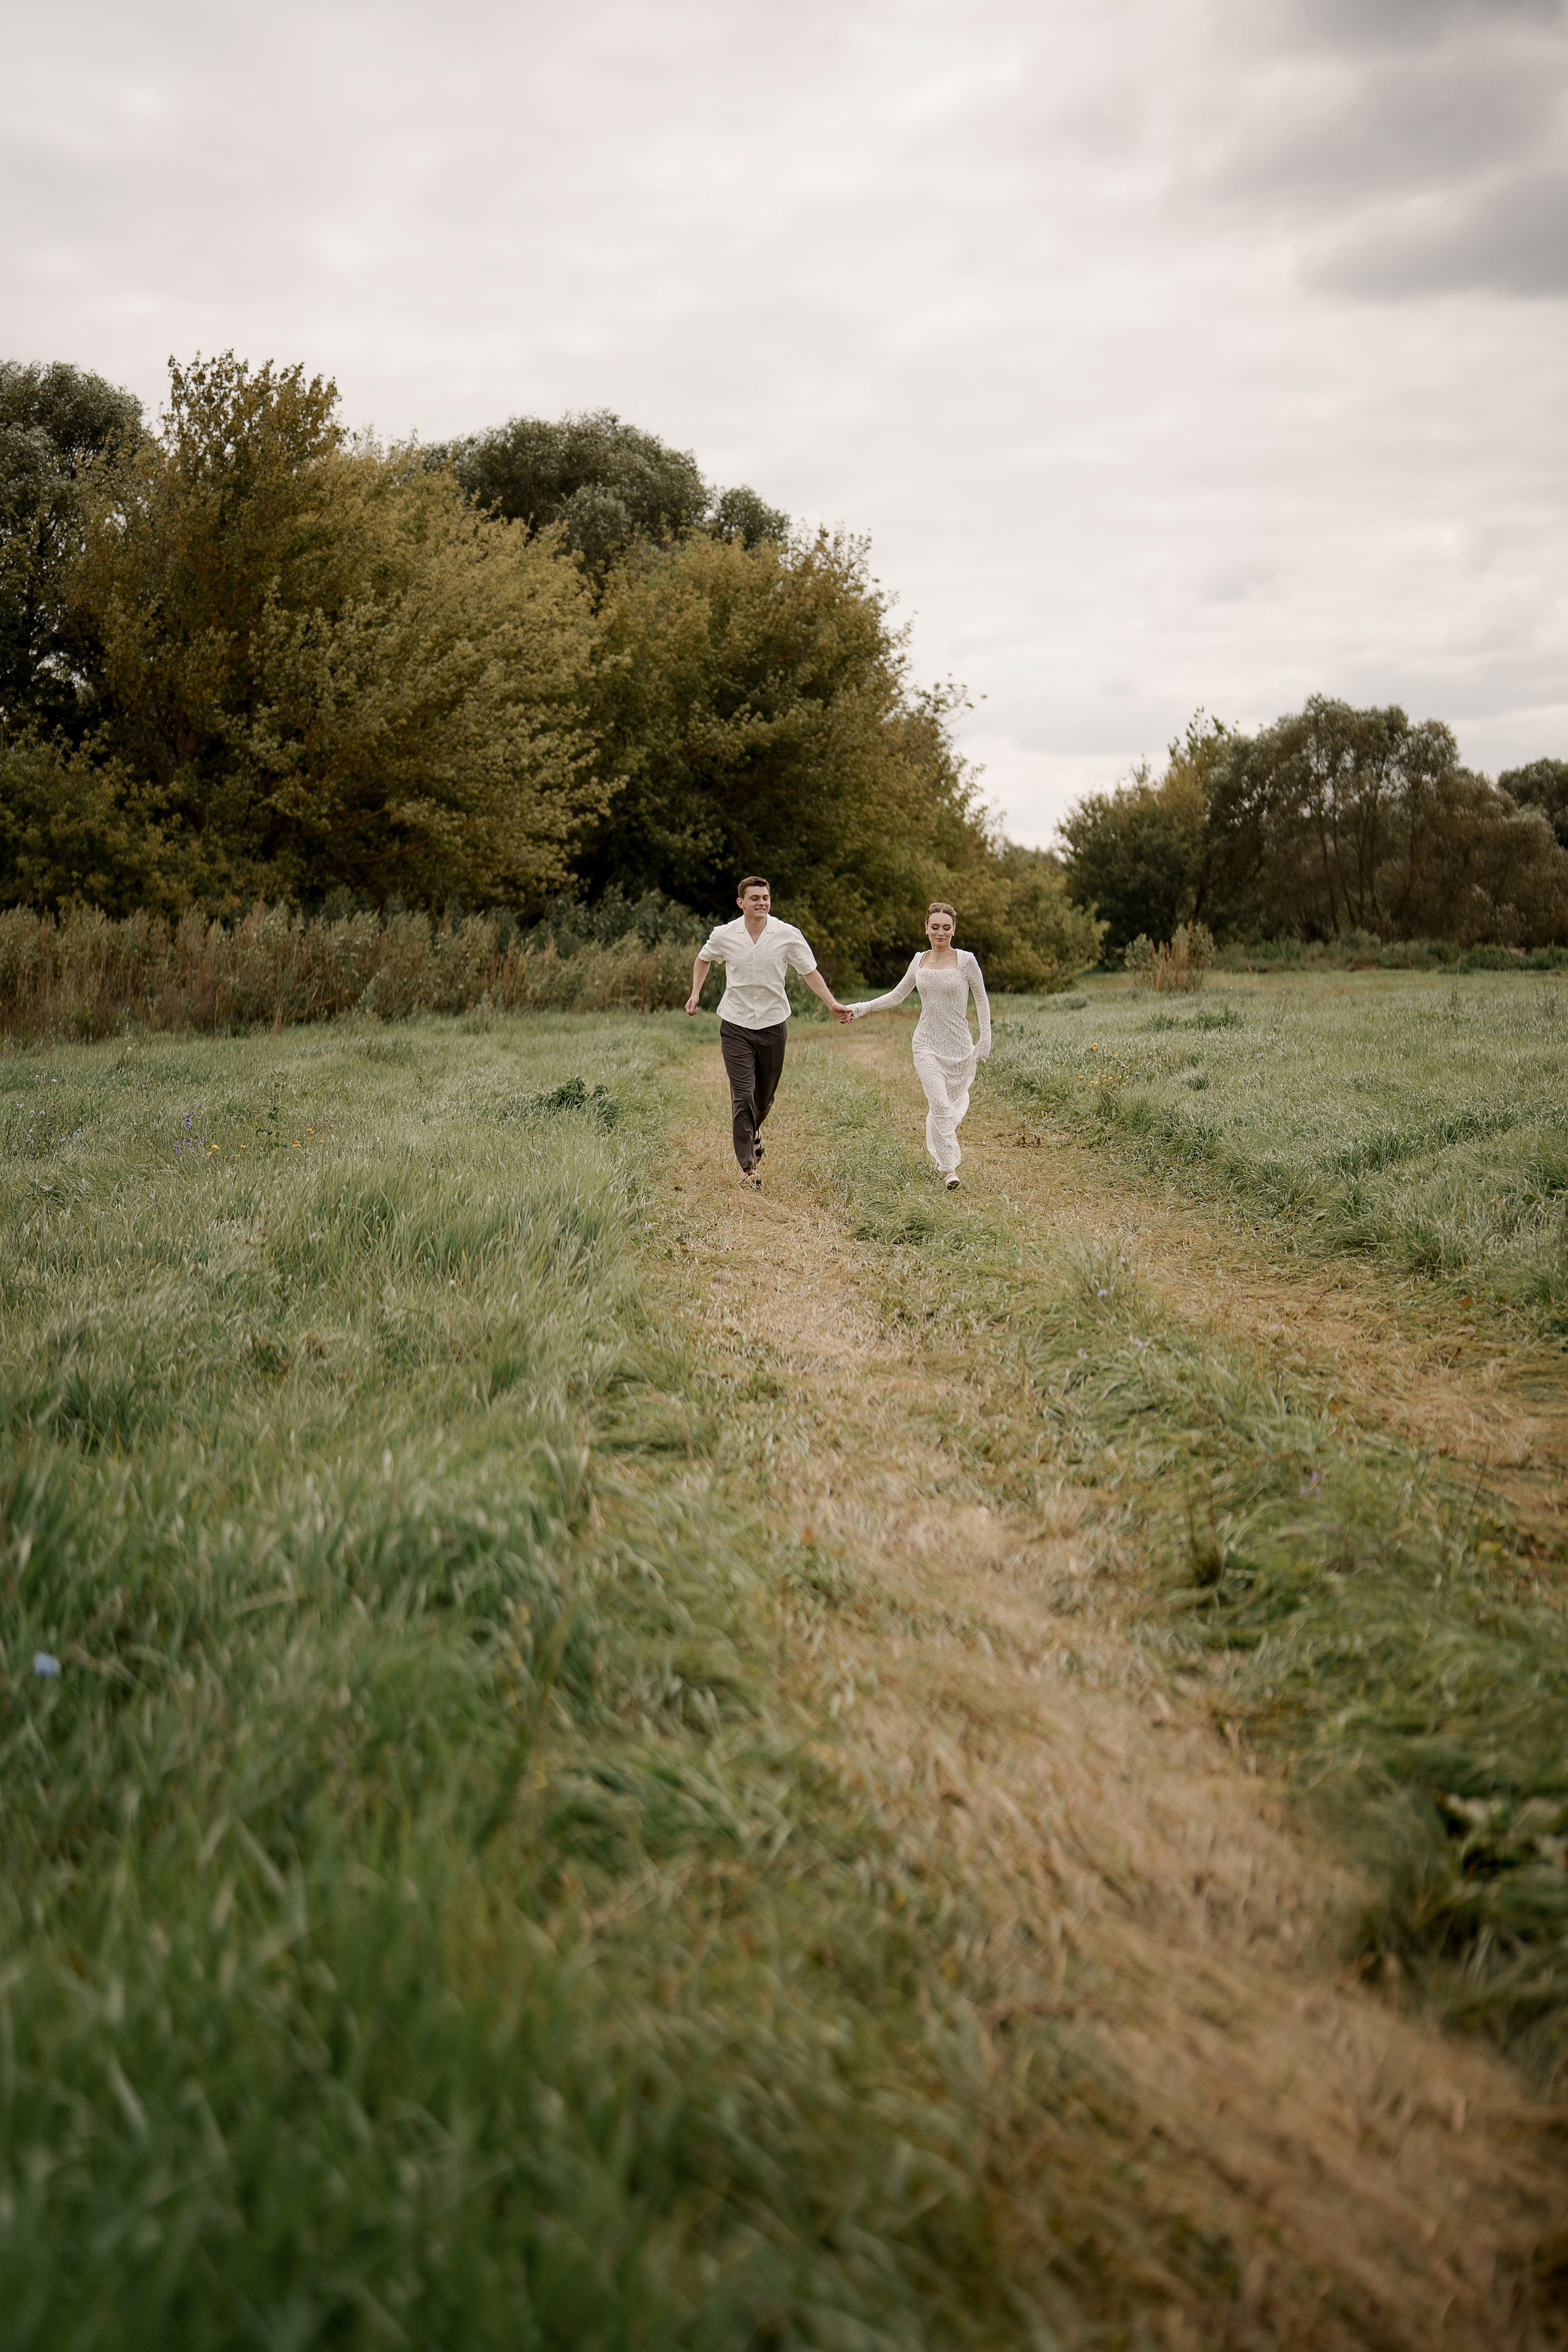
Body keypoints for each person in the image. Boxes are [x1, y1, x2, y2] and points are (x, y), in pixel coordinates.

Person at [686, 876, 849, 1185]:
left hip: (774, 1024)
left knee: (764, 1098)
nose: (762, 902)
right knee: (743, 1094)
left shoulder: (787, 935)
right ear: (741, 903)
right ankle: (750, 1168)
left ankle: (755, 1129)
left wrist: (832, 1003)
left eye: (766, 897)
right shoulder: (725, 935)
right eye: (755, 898)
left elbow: (809, 972)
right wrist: (695, 993)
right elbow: (703, 959)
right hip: (735, 1024)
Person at [846, 903, 990, 1188]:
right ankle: (950, 1169)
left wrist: (985, 1038)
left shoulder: (966, 961)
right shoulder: (919, 961)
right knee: (939, 1104)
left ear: (954, 930)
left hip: (960, 1046)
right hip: (925, 1043)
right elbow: (897, 996)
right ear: (926, 928)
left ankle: (942, 1149)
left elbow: (982, 1000)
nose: (940, 933)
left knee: (949, 1107)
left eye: (946, 928)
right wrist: (860, 1008)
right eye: (934, 927)